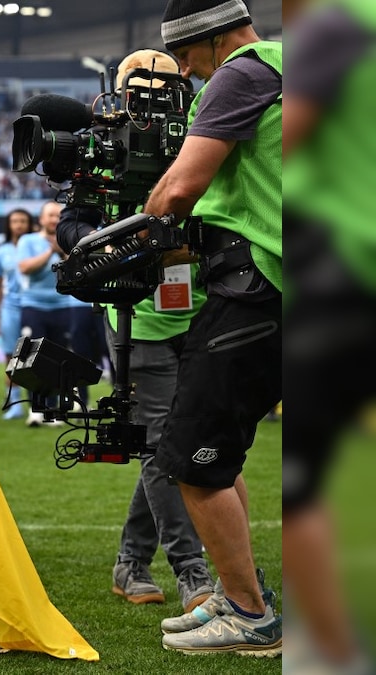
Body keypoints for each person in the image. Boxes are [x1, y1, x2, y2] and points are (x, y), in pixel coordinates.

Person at [144, 0, 282, 655]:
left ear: (207, 37)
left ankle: (252, 614)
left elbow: (179, 190)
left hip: (261, 283)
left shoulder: (241, 72)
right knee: (217, 452)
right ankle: (239, 591)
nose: (189, 73)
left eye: (188, 57)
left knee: (191, 455)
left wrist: (131, 238)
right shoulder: (290, 65)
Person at [58, 49, 217, 616]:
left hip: (204, 311)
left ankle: (131, 561)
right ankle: (191, 569)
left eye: (163, 87)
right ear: (119, 92)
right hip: (141, 319)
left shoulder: (207, 136)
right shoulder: (102, 148)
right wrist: (128, 243)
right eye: (140, 86)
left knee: (171, 442)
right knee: (161, 445)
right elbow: (71, 225)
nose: (151, 98)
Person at [283, 1, 374, 670]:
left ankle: (336, 654)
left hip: (345, 275)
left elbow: (288, 137)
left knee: (298, 484)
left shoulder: (339, 26)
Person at [16, 201, 72, 426]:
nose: (54, 220)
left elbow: (77, 268)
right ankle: (36, 407)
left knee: (59, 360)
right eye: (50, 215)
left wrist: (64, 251)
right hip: (34, 305)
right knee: (32, 356)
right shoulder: (28, 240)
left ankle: (55, 409)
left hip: (62, 305)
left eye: (58, 216)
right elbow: (25, 267)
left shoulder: (69, 244)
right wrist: (51, 250)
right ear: (41, 219)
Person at [0, 208, 32, 419]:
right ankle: (13, 402)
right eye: (15, 221)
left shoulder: (36, 246)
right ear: (9, 225)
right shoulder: (0, 252)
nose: (19, 225)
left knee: (36, 354)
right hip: (11, 308)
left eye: (23, 221)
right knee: (10, 356)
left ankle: (36, 400)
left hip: (35, 306)